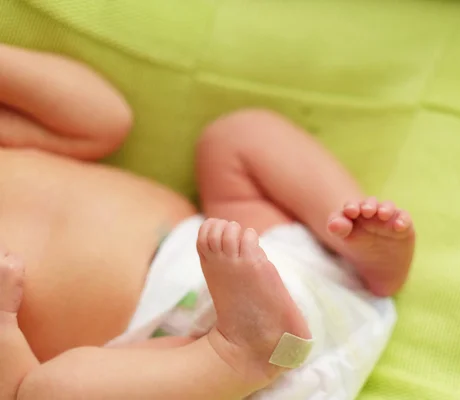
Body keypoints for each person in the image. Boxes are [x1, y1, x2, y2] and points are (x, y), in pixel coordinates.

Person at [0, 44, 415, 399]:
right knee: (44, 392)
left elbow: (105, 118)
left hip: (270, 261)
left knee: (238, 135)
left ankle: (354, 242)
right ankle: (238, 358)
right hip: (178, 362)